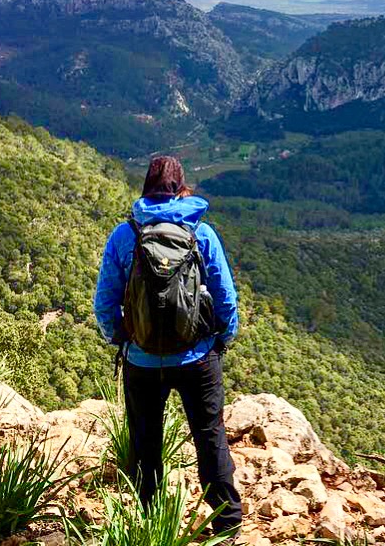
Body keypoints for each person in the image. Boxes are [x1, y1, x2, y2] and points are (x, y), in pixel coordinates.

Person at [94, 155, 242, 535]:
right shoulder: (201, 234)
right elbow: (225, 298)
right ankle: (226, 524)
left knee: (146, 440)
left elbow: (104, 304)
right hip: (197, 356)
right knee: (210, 435)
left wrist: (122, 337)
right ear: (181, 189)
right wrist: (221, 338)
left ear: (145, 189)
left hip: (142, 361)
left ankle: (149, 523)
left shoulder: (125, 234)